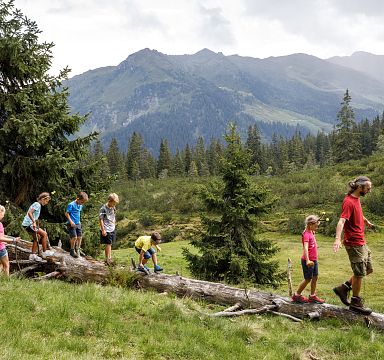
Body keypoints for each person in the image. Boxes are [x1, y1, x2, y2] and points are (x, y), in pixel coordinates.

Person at [333, 176, 374, 315]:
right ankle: (356, 303)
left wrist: (366, 221)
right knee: (359, 273)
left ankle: (344, 288)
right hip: (354, 243)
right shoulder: (348, 201)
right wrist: (338, 239)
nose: (369, 190)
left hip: (361, 241)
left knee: (368, 269)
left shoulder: (356, 199)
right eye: (368, 188)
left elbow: (358, 214)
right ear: (359, 187)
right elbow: (341, 221)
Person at [292, 215, 325, 304]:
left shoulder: (311, 232)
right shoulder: (306, 234)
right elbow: (305, 248)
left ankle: (312, 296)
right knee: (308, 279)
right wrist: (307, 260)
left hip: (314, 260)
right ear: (310, 224)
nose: (317, 228)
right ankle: (297, 295)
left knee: (315, 277)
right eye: (315, 226)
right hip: (308, 261)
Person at [22, 192, 54, 261]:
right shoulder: (37, 204)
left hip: (26, 224)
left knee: (38, 237)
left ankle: (32, 255)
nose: (46, 203)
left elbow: (33, 215)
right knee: (44, 234)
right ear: (42, 199)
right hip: (29, 224)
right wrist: (33, 222)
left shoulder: (37, 204)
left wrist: (35, 221)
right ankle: (45, 252)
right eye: (46, 201)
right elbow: (30, 213)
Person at [65, 191, 89, 258]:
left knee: (79, 237)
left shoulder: (80, 205)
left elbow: (78, 213)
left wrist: (79, 221)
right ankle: (72, 250)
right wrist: (71, 222)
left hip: (78, 223)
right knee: (74, 237)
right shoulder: (71, 204)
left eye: (83, 202)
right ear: (78, 198)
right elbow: (66, 214)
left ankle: (78, 249)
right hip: (71, 224)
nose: (82, 203)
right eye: (82, 202)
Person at [0, 205, 20, 276]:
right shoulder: (0, 224)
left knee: (2, 265)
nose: (3, 216)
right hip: (1, 249)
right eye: (3, 214)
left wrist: (4, 240)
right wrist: (13, 240)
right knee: (6, 265)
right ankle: (6, 281)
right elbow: (0, 238)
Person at [99, 193, 119, 265]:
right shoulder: (103, 208)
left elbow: (113, 215)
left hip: (112, 227)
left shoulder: (113, 207)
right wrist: (103, 230)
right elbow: (101, 219)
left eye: (115, 204)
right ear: (109, 201)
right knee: (108, 244)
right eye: (113, 203)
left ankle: (109, 258)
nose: (114, 205)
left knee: (110, 244)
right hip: (106, 228)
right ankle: (107, 259)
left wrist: (114, 223)